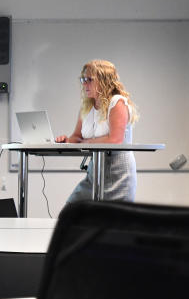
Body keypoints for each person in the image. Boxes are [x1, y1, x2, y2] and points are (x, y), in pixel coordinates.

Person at [55, 59, 139, 203]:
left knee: (113, 221)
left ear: (104, 80)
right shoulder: (87, 106)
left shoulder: (117, 102)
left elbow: (115, 140)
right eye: (83, 79)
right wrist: (66, 141)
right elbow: (77, 136)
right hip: (95, 172)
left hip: (117, 172)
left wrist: (87, 142)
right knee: (72, 209)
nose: (84, 84)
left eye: (89, 80)